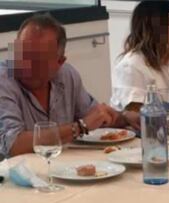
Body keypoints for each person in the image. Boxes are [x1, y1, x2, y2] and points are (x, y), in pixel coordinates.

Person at [0, 14, 138, 157]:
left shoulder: (67, 76)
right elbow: (13, 145)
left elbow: (94, 118)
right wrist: (79, 127)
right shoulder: (3, 79)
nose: (24, 63)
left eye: (37, 58)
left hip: (63, 170)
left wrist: (126, 117)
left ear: (59, 62)